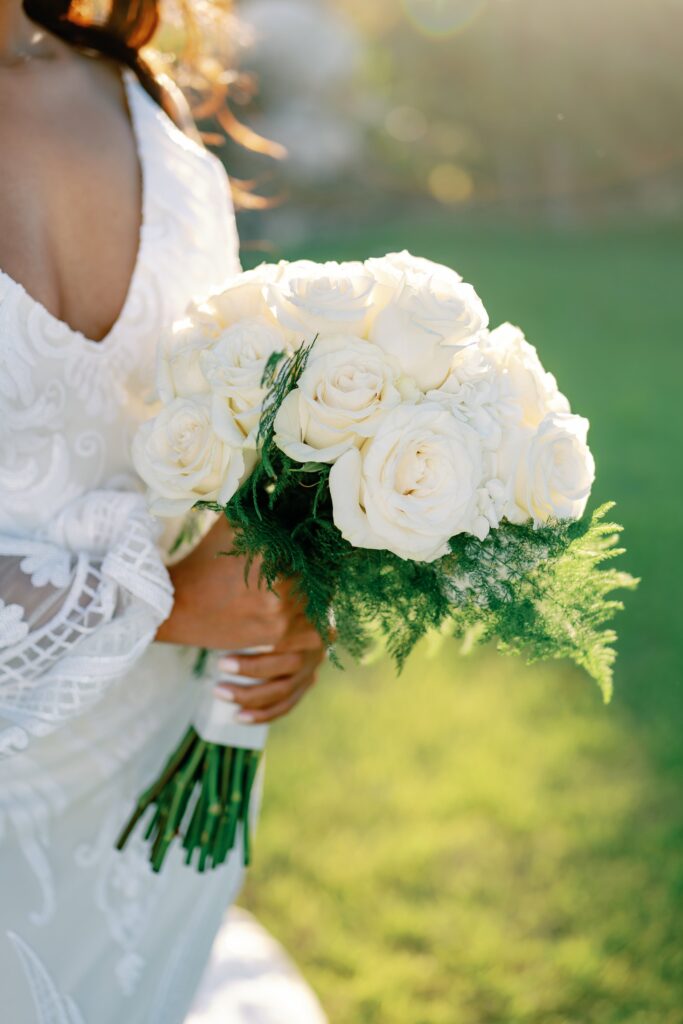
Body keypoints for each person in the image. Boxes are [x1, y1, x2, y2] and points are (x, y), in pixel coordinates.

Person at [0, 1, 325, 1020]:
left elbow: (205, 404)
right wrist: (167, 599)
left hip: (155, 792)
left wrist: (279, 580)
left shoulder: (132, 89)